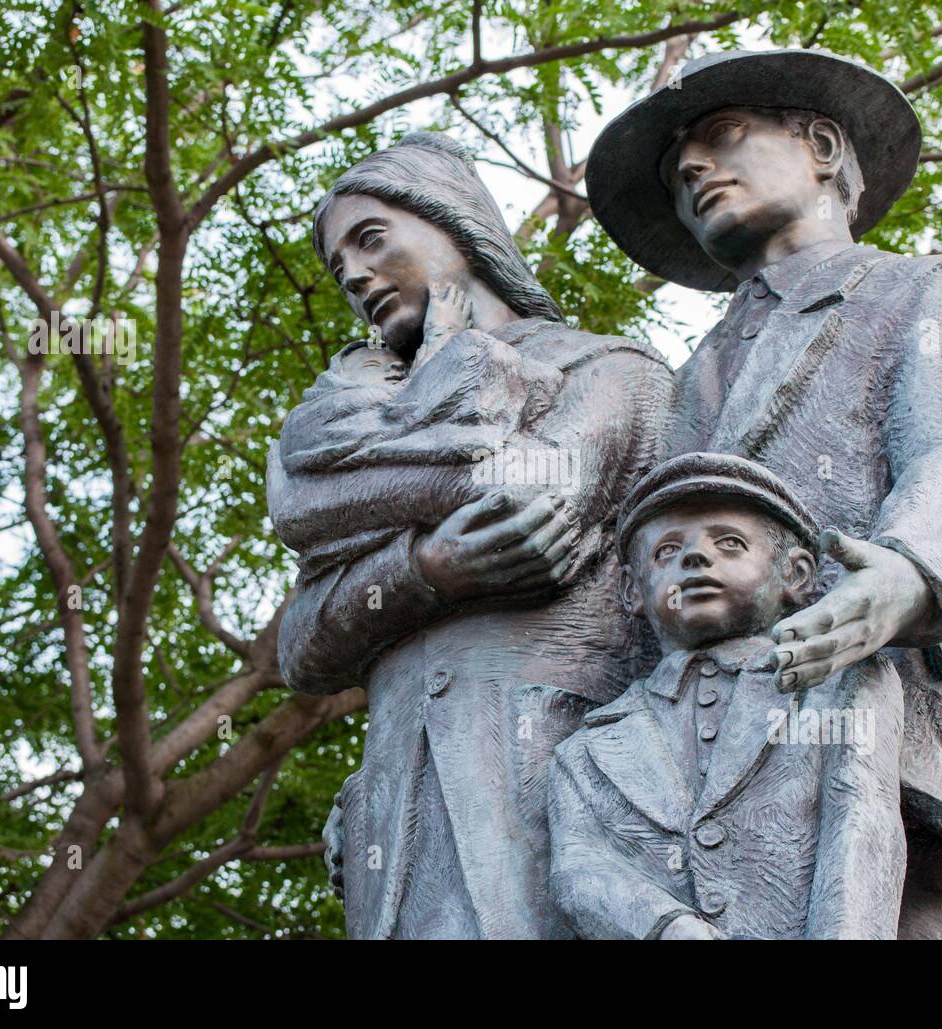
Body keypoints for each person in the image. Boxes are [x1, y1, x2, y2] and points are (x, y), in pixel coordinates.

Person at [584, 49, 942, 938]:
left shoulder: (930, 288)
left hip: (912, 733)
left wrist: (911, 572)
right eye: (680, 176)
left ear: (824, 146)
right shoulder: (688, 378)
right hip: (706, 788)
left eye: (722, 138)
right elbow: (627, 589)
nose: (693, 171)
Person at [269, 132, 672, 938]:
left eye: (371, 237)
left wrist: (354, 507)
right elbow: (303, 643)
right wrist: (425, 568)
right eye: (337, 262)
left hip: (560, 786)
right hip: (397, 826)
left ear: (455, 223)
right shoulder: (353, 406)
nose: (352, 274)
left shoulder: (612, 371)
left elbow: (525, 499)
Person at [549, 452, 906, 940]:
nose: (694, 558)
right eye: (666, 551)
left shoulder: (840, 687)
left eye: (731, 543)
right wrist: (668, 928)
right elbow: (580, 870)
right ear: (632, 592)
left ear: (796, 575)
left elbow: (861, 830)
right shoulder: (586, 748)